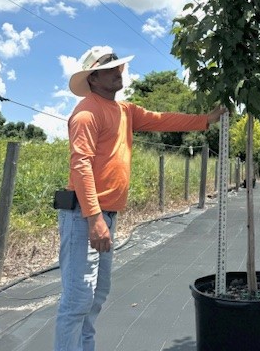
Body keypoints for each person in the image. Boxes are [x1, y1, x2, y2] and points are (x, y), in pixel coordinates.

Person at [54, 46, 225, 351]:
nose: (118, 71)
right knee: (78, 299)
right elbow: (80, 165)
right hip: (84, 216)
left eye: (118, 66)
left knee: (95, 297)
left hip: (105, 215)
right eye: (110, 68)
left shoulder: (125, 111)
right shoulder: (86, 113)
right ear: (93, 78)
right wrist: (94, 219)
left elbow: (162, 119)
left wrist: (206, 120)